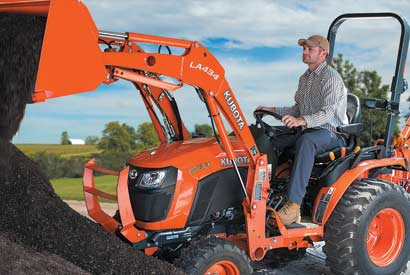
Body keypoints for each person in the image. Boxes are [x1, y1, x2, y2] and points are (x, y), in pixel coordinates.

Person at [256, 35, 349, 225]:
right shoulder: (305, 78)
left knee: (306, 142)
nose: (304, 52)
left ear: (323, 53)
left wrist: (301, 121)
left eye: (309, 49)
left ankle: (293, 205)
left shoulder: (331, 78)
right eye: (304, 49)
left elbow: (327, 113)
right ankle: (262, 192)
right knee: (268, 138)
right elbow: (296, 109)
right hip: (308, 129)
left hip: (331, 133)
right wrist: (271, 110)